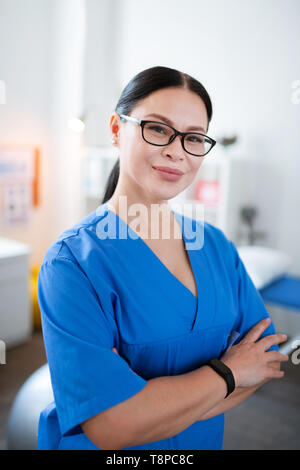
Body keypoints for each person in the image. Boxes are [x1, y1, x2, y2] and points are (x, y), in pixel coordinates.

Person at [37, 66, 288, 450]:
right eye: (157, 128)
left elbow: (265, 362)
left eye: (193, 137)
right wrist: (229, 372)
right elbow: (112, 427)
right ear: (117, 129)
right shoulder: (72, 263)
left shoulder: (215, 245)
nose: (176, 151)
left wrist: (154, 409)